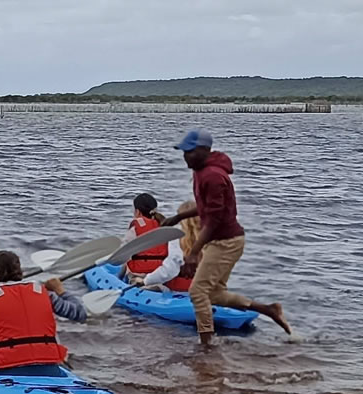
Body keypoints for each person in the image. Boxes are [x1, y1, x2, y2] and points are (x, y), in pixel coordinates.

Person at [163, 130, 291, 345]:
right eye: (184, 152)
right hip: (219, 240)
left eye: (190, 152)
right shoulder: (200, 171)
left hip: (226, 242)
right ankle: (269, 310)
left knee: (197, 292)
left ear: (204, 150)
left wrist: (194, 252)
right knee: (214, 294)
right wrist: (179, 217)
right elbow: (205, 207)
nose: (185, 156)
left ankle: (207, 345)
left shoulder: (213, 176)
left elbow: (214, 219)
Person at [123, 193, 172, 280]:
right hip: (161, 273)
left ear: (137, 212)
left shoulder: (136, 228)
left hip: (139, 274)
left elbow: (123, 252)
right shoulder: (164, 226)